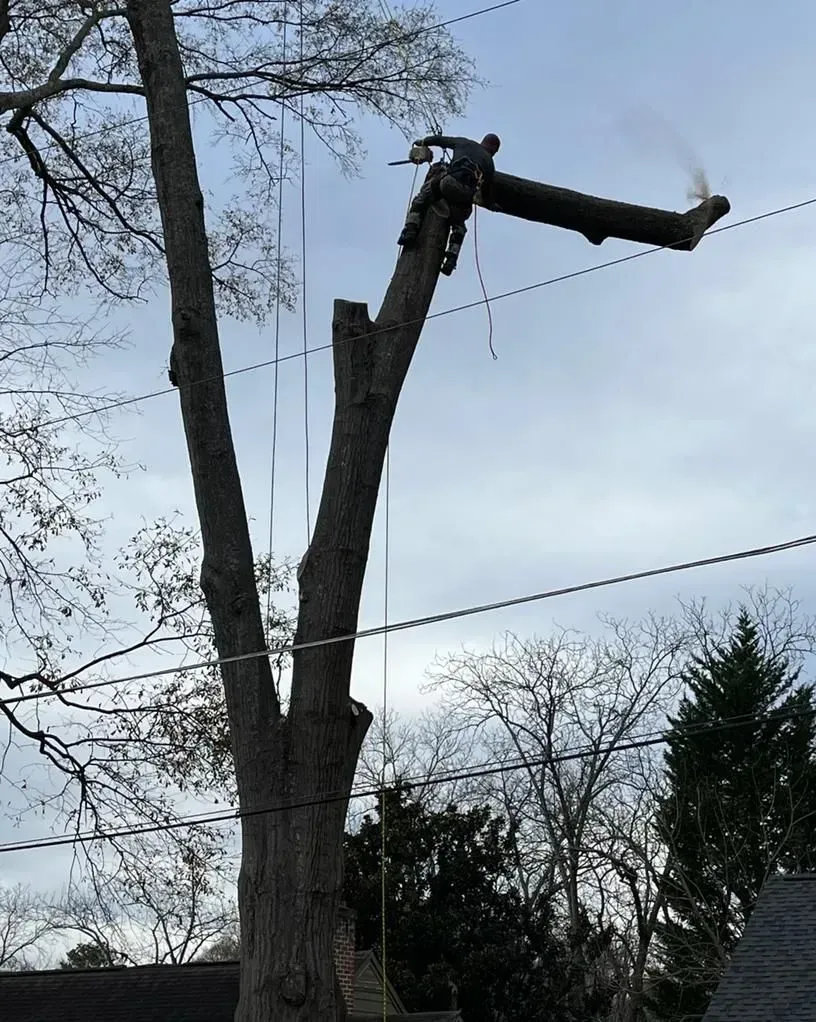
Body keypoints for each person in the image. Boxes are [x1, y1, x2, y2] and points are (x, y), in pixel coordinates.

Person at [397, 133, 501, 276]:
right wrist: (492, 206)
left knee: (420, 200)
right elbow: (487, 193)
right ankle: (451, 258)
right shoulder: (489, 164)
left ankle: (410, 229)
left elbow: (441, 140)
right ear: (494, 148)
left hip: (449, 183)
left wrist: (423, 142)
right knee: (459, 226)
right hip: (466, 196)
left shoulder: (464, 142)